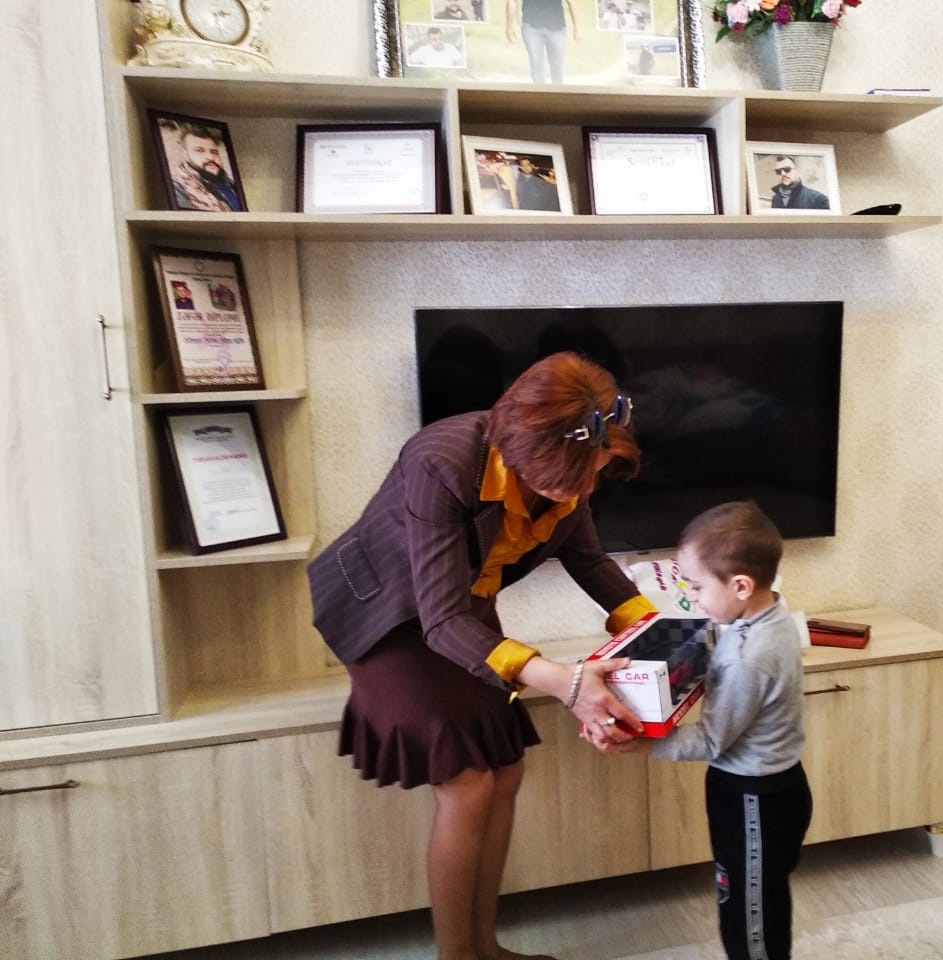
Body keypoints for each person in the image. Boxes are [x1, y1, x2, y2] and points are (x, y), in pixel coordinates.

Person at [307, 352, 657, 960]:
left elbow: (589, 559)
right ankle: (457, 957)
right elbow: (440, 621)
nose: (585, 490)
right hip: (385, 611)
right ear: (526, 451)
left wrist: (655, 632)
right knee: (468, 784)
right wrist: (562, 679)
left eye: (594, 476)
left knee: (507, 770)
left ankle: (485, 948)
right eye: (575, 479)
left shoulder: (573, 467)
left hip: (458, 606)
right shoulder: (441, 460)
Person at [609, 500, 812, 960]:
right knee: (759, 892)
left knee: (748, 912)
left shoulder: (748, 659)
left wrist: (639, 744)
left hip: (752, 797)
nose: (693, 598)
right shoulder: (770, 615)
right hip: (776, 786)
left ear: (741, 585)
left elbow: (711, 739)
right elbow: (722, 635)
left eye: (698, 587)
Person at [169, 124, 244, 212]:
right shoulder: (178, 187)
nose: (210, 157)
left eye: (214, 152)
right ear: (185, 154)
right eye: (199, 150)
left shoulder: (230, 184)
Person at [506, 0, 580, 84]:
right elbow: (512, 1)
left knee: (557, 66)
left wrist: (577, 28)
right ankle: (541, 91)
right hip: (531, 28)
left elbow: (571, 2)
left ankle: (557, 90)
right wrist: (509, 27)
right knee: (536, 65)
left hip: (556, 28)